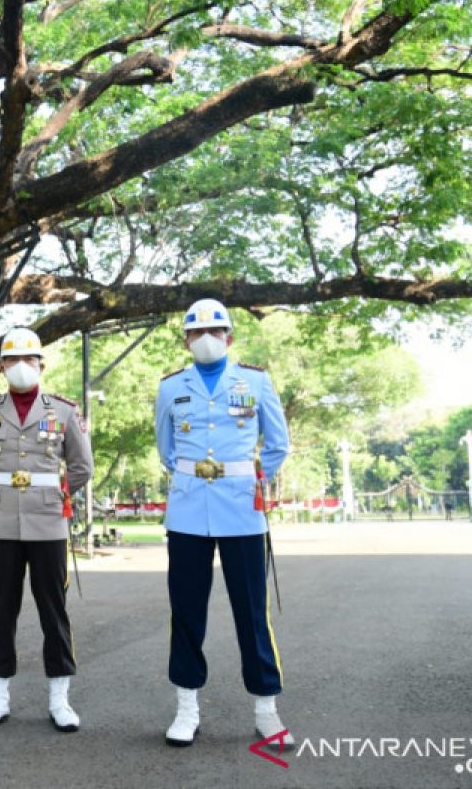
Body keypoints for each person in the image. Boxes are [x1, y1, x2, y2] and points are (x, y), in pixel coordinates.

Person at [153, 298, 292, 748]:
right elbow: (166, 449)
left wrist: (251, 477)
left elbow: (278, 444)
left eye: (215, 331)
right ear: (186, 340)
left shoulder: (255, 381)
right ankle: (186, 708)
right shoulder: (170, 387)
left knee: (252, 614)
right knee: (187, 613)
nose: (206, 339)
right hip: (190, 510)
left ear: (230, 337)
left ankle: (266, 710)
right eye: (196, 333)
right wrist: (195, 476)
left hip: (242, 510)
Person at [0, 327, 94, 733]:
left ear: (41, 364)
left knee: (54, 612)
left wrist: (52, 495)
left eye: (29, 360)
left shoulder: (64, 412)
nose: (21, 367)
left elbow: (82, 467)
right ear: (1, 366)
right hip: (2, 525)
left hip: (49, 524)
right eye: (12, 360)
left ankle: (60, 699)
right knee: (1, 611)